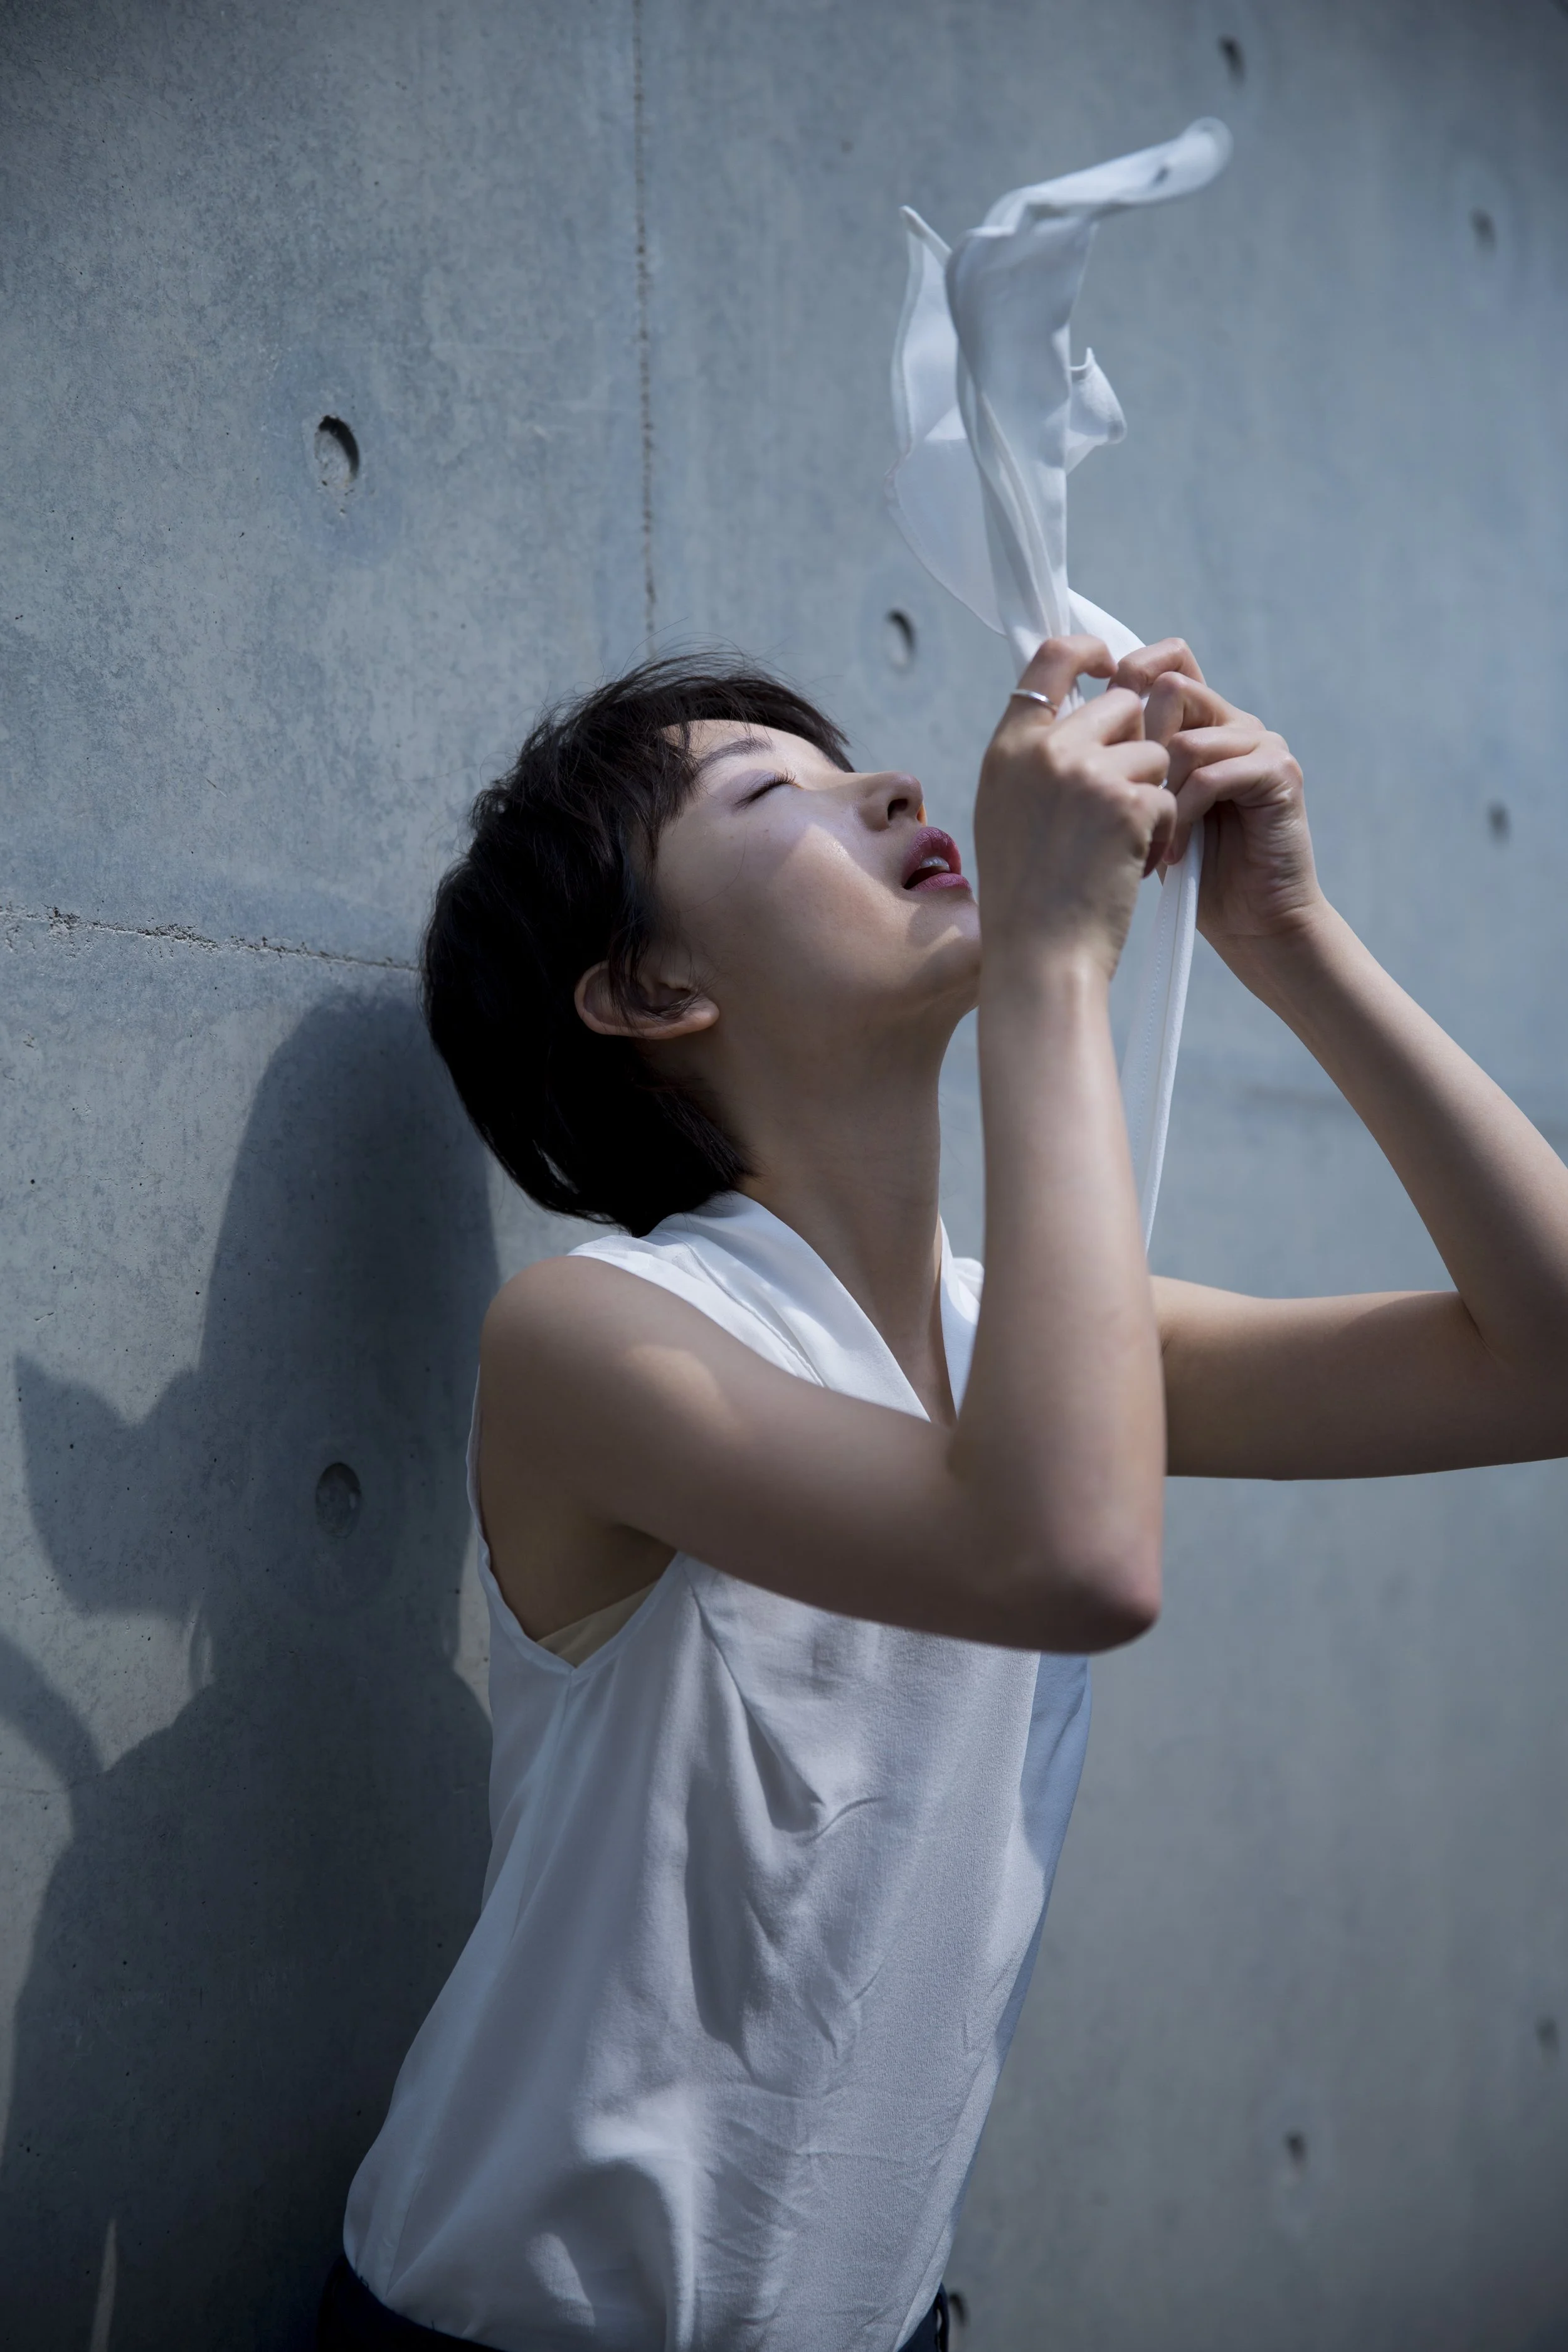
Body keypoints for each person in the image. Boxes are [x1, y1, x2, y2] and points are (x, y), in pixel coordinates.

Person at [320, 637, 1568, 2352]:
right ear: (644, 984)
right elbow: (1063, 1553)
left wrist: (1288, 935)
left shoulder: (1020, 1348)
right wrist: (1055, 964)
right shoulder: (594, 1337)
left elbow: (1546, 1359)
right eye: (774, 795)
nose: (894, 787)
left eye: (845, 767)